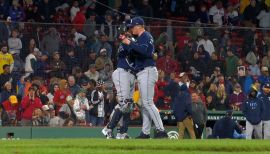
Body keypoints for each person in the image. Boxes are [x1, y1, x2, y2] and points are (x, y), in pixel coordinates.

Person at [122, 17, 167, 138]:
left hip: (147, 71)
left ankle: (161, 131)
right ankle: (145, 133)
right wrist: (130, 43)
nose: (131, 29)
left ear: (139, 26)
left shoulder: (145, 36)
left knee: (147, 103)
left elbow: (144, 51)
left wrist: (130, 43)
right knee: (145, 105)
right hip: (144, 71)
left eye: (132, 27)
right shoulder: (142, 37)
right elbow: (143, 52)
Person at [102, 26, 136, 139]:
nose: (128, 36)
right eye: (126, 35)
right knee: (125, 104)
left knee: (128, 105)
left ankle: (122, 133)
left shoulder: (133, 44)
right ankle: (108, 129)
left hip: (131, 75)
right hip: (122, 73)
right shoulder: (124, 44)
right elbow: (122, 53)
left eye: (129, 34)